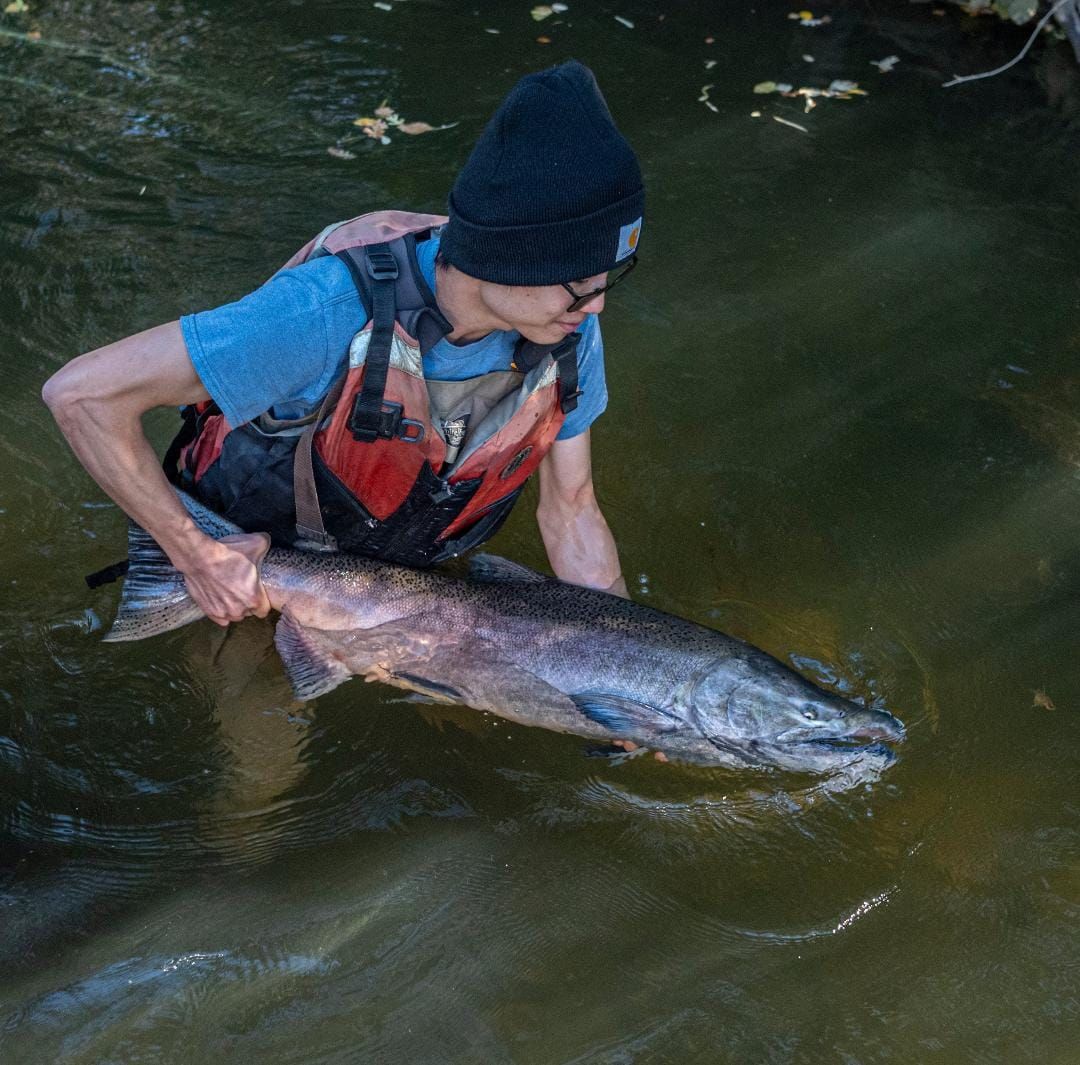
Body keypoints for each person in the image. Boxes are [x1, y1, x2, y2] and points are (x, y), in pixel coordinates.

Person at [42, 60, 644, 629]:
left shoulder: (562, 327)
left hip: (399, 583)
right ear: (506, 261)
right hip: (251, 572)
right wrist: (196, 555)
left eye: (608, 279)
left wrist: (628, 657)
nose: (596, 307)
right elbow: (82, 395)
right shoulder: (321, 313)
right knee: (257, 698)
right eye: (579, 284)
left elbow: (572, 508)